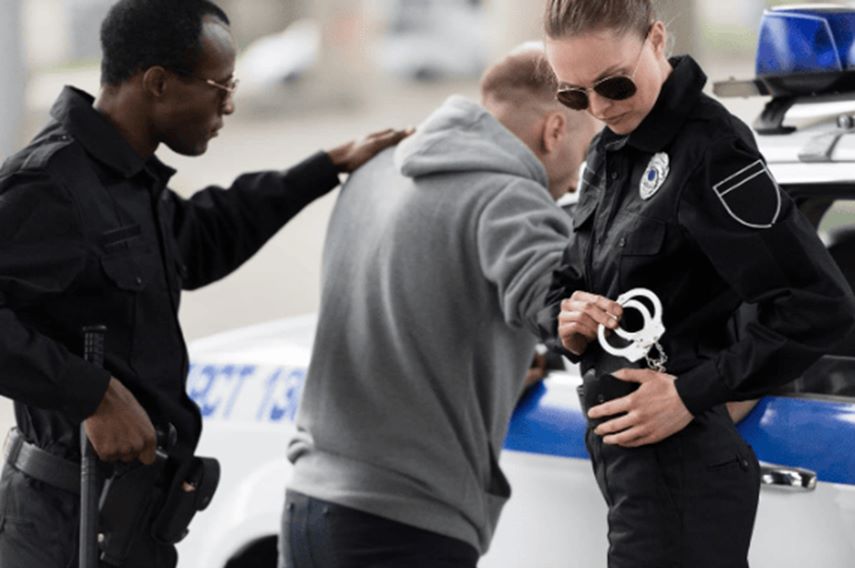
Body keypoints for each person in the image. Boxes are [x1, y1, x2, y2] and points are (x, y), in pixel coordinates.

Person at [0, 1, 409, 566]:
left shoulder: (126, 180)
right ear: (159, 84)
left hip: (128, 522)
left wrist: (324, 167)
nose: (230, 105)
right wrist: (91, 393)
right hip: (61, 525)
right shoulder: (49, 183)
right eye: (219, 86)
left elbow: (202, 237)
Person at [539, 1, 855, 567]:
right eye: (573, 95)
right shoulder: (610, 148)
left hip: (684, 477)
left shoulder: (712, 151)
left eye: (614, 84)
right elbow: (568, 277)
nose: (599, 108)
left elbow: (820, 304)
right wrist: (568, 317)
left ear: (656, 40)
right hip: (631, 472)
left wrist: (691, 392)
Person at [281, 44, 597, 568]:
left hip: (307, 505)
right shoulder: (509, 196)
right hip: (404, 524)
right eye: (587, 152)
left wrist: (493, 371)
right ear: (555, 130)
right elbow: (563, 308)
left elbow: (407, 311)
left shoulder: (377, 170)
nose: (575, 180)